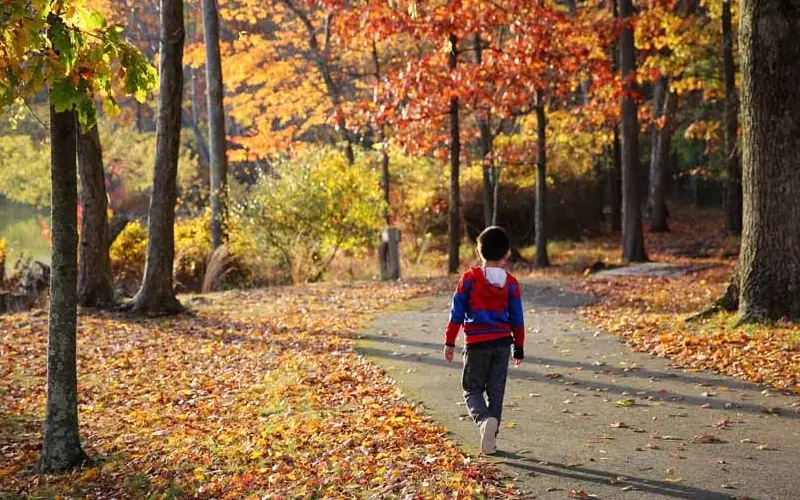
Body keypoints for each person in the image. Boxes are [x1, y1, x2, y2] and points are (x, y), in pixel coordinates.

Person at [443, 226, 525, 455]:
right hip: (502, 344)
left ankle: (483, 421)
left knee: (472, 388)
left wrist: (449, 342)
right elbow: (517, 318)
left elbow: (456, 313)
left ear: (479, 252)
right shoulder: (511, 283)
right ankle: (492, 440)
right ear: (506, 254)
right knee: (496, 391)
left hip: (476, 344)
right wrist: (518, 346)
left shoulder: (469, 279)